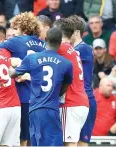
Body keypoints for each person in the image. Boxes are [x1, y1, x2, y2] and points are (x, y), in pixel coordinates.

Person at [9, 27, 73, 146]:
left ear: (45, 39)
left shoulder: (32, 58)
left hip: (34, 109)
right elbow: (64, 88)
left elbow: (12, 74)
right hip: (51, 109)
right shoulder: (66, 63)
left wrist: (9, 64)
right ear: (60, 42)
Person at [0, 11, 45, 146]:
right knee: (34, 137)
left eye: (15, 28)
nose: (14, 32)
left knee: (20, 137)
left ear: (23, 27)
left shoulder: (16, 41)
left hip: (22, 96)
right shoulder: (43, 44)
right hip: (41, 97)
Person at [54, 18, 89, 146]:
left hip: (70, 103)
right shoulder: (72, 50)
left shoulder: (61, 48)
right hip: (81, 102)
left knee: (68, 143)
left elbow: (39, 54)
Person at [68, 15, 97, 146]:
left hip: (85, 99)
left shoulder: (83, 49)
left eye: (68, 31)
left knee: (80, 143)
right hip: (76, 99)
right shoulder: (75, 49)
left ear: (77, 32)